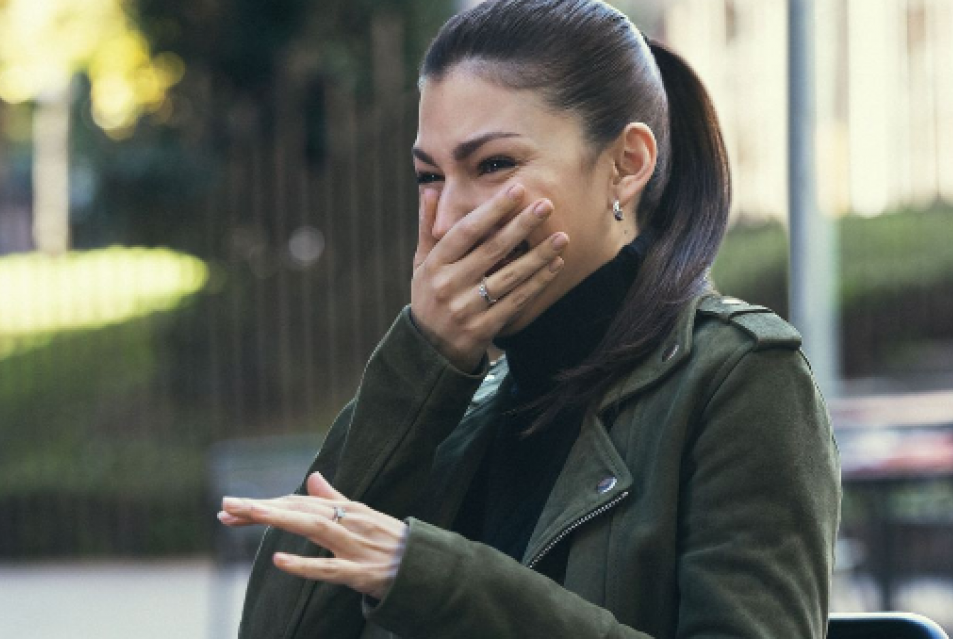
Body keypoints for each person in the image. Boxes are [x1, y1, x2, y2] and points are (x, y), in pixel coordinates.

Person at [219, 0, 841, 637]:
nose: (447, 216)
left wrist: (434, 577)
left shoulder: (741, 378)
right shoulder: (457, 402)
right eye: (429, 176)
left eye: (494, 165)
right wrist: (423, 354)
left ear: (627, 163)